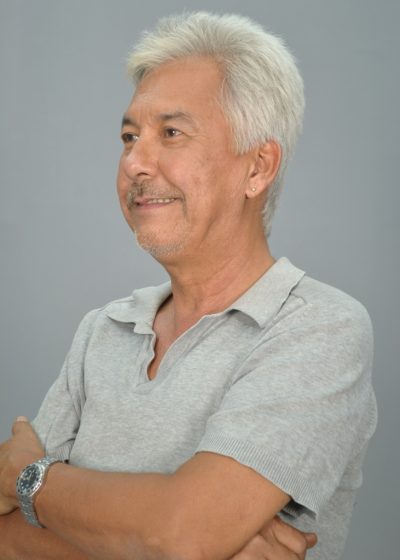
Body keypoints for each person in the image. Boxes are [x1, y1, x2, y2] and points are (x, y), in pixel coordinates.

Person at [0, 11, 377, 560]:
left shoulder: (320, 328)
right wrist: (173, 540)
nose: (134, 162)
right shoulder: (102, 331)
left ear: (258, 167)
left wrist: (29, 480)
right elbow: (5, 538)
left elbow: (184, 533)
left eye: (171, 133)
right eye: (129, 137)